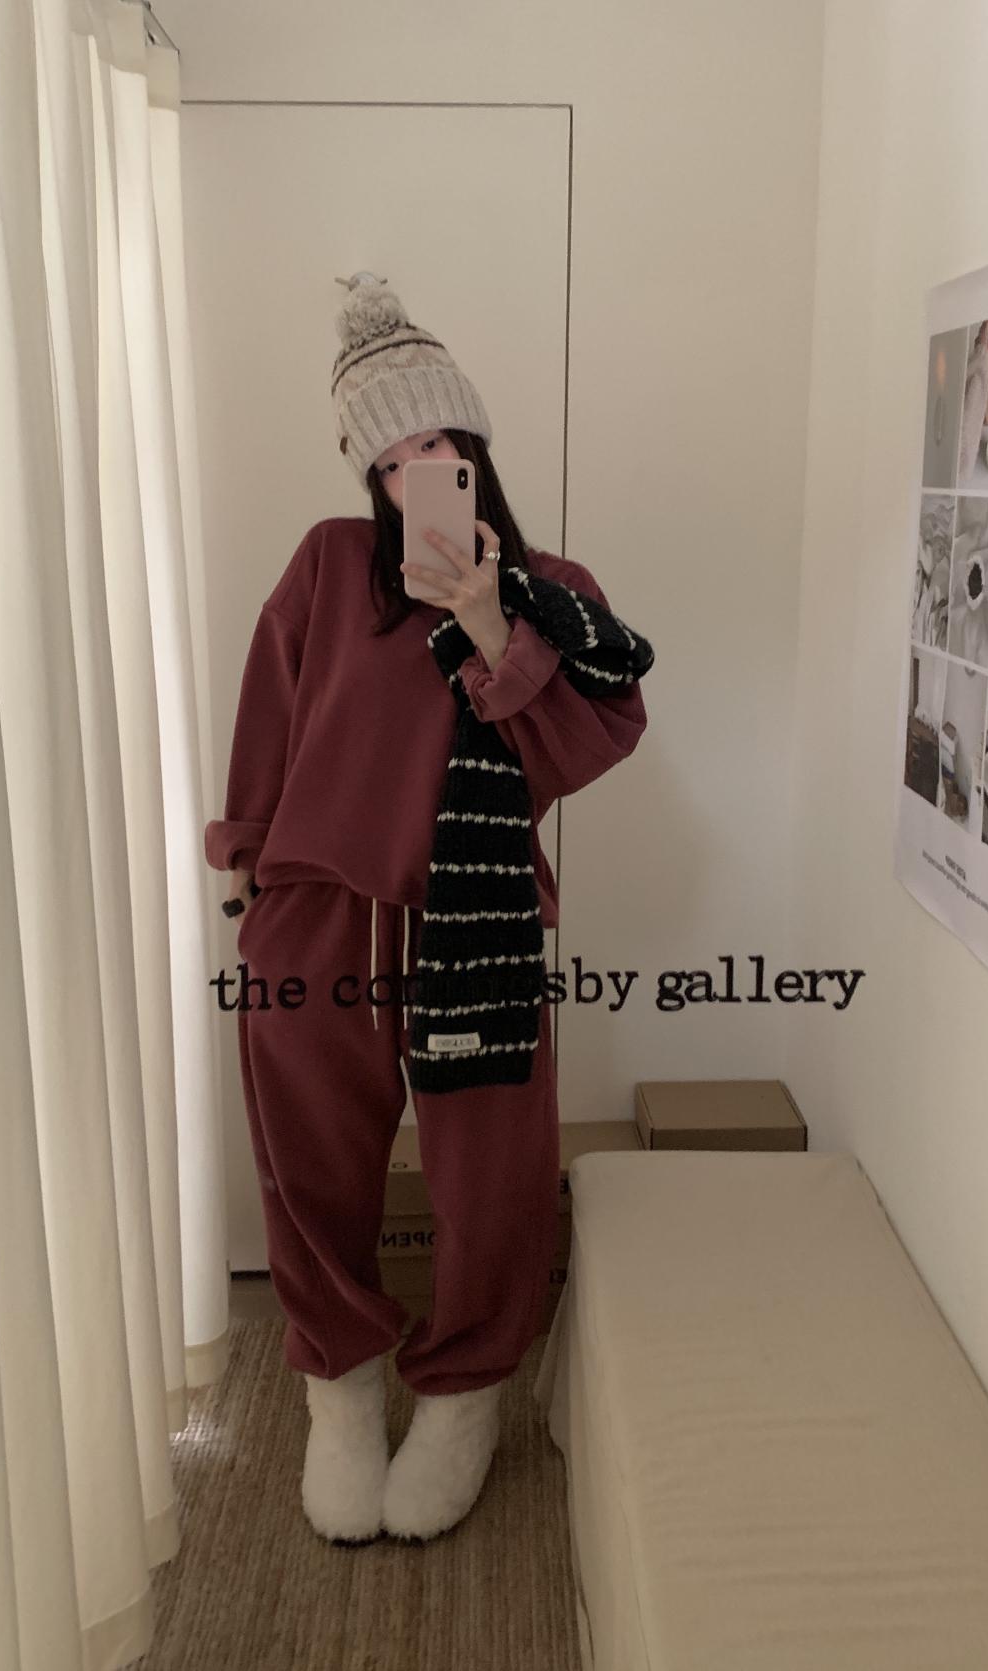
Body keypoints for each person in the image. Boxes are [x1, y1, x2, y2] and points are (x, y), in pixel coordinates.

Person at [205, 272, 650, 1548]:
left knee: (491, 1180)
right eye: (388, 458)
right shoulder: (328, 566)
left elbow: (583, 746)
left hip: (476, 927)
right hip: (315, 922)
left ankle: (461, 1399)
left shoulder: (549, 590)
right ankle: (340, 1394)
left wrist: (488, 624)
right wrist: (244, 864)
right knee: (308, 1172)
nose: (413, 475)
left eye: (436, 448)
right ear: (367, 473)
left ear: (474, 452)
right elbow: (268, 717)